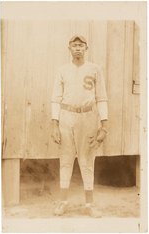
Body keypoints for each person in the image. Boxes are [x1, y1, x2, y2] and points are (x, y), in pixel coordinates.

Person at [51, 35, 108, 217]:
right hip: (67, 117)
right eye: (74, 45)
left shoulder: (95, 69)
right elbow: (55, 98)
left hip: (88, 117)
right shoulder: (62, 70)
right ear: (69, 48)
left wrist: (104, 126)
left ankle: (89, 205)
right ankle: (62, 202)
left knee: (87, 161)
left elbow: (102, 98)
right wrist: (54, 123)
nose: (77, 48)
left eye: (81, 45)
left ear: (86, 48)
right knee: (66, 160)